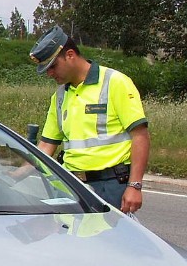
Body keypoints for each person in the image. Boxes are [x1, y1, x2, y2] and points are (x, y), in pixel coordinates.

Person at [29, 25, 150, 214]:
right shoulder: (60, 96)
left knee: (110, 243)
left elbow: (140, 136)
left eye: (52, 66)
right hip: (71, 186)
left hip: (110, 186)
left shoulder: (115, 82)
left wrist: (134, 186)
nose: (49, 74)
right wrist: (14, 172)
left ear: (70, 55)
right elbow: (46, 146)